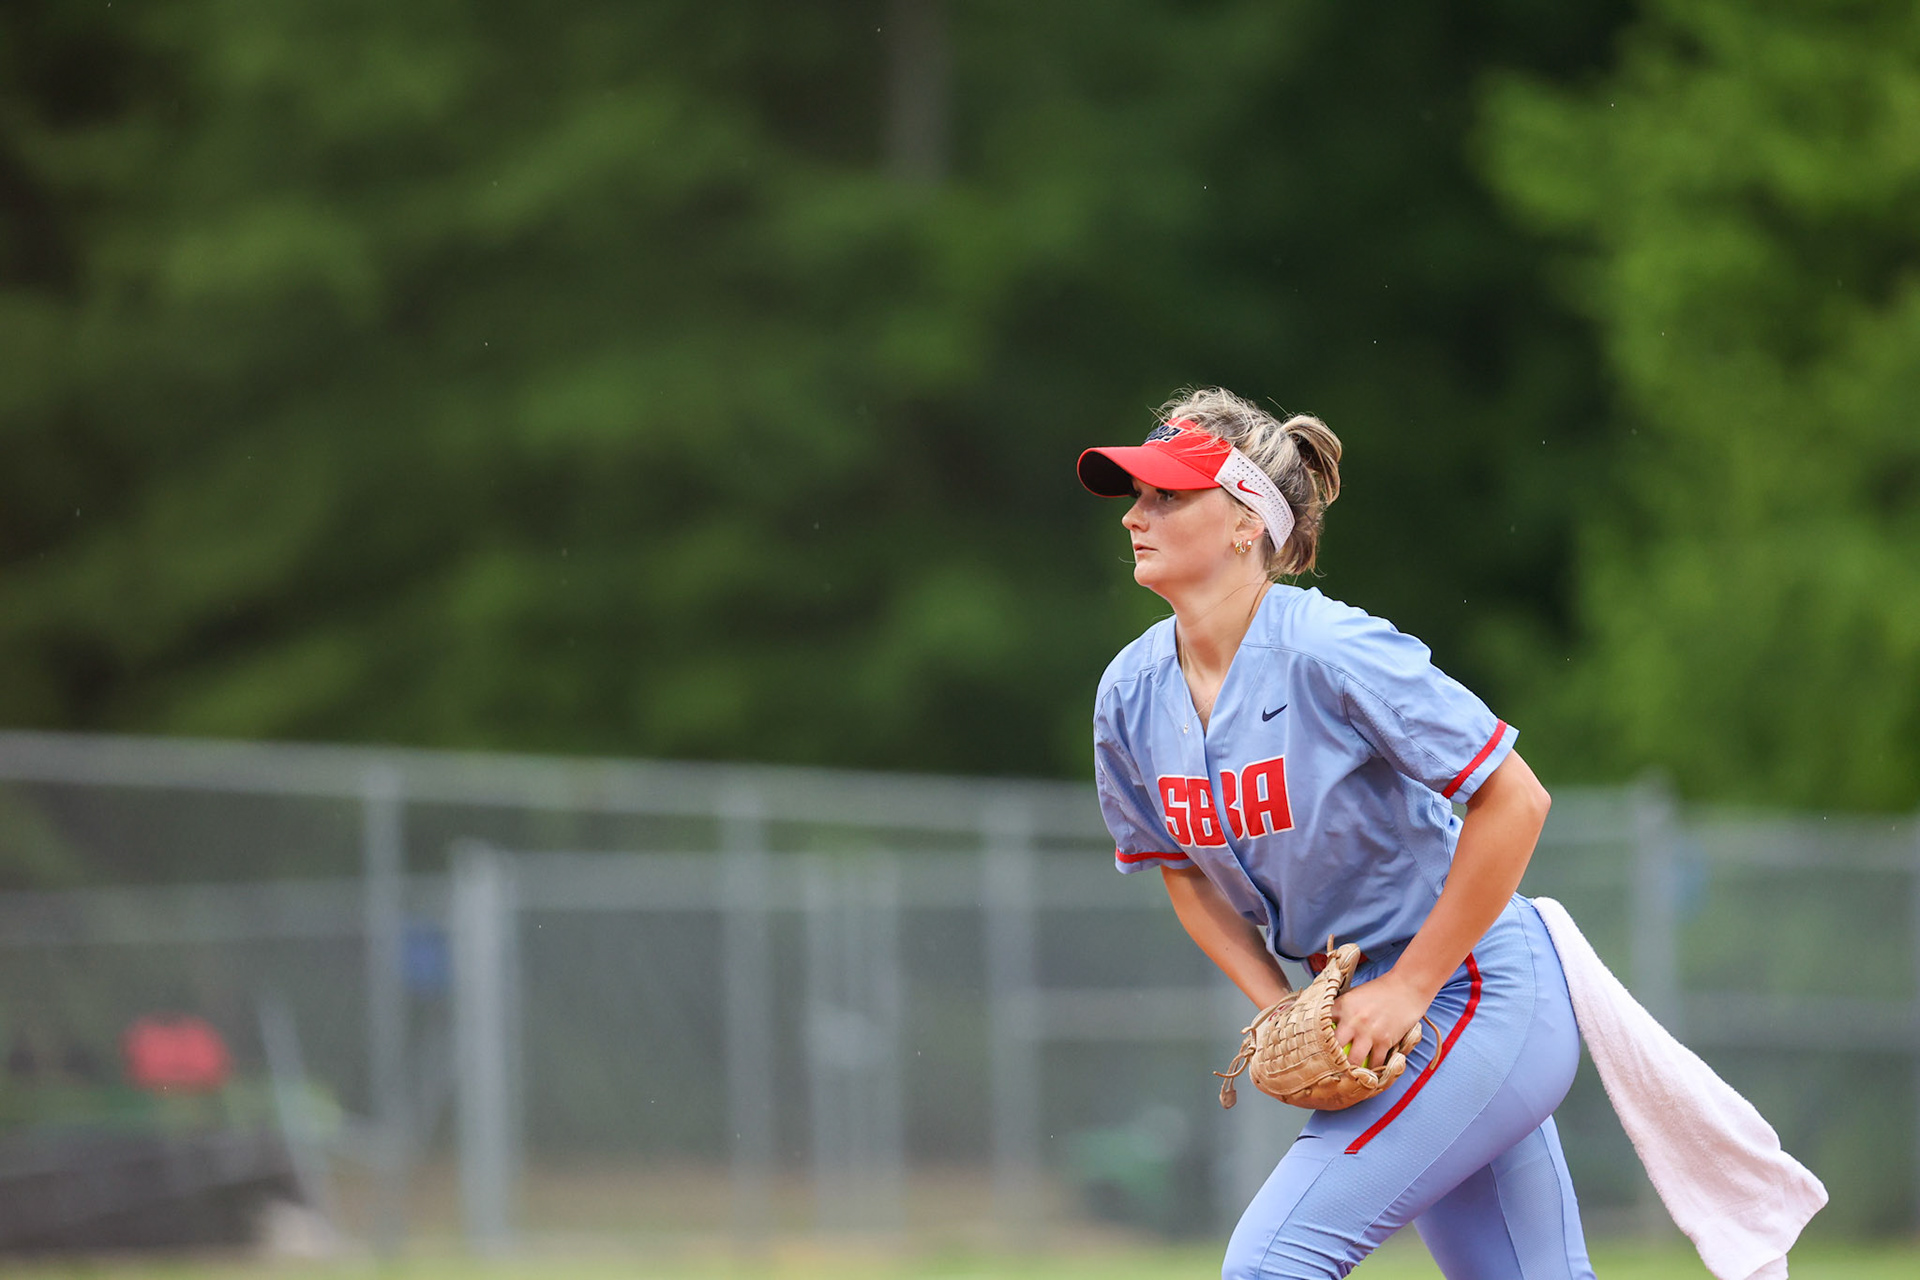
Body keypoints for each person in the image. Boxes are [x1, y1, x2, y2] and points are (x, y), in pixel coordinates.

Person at [1079, 388, 1594, 1279]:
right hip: (1367, 1013)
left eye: (1168, 495)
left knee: (1271, 1265)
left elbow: (1516, 799)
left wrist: (1412, 986)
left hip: (1471, 992)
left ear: (1247, 522)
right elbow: (1182, 872)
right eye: (1137, 494)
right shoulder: (1129, 694)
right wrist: (1273, 1003)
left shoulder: (1329, 648)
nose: (1136, 515)